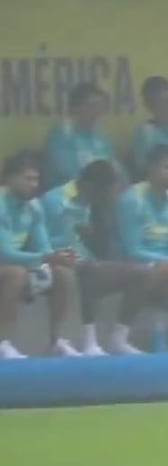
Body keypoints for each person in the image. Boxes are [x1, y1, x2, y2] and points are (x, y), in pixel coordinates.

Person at [41, 160, 148, 356]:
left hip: (87, 259)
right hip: (57, 264)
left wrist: (92, 235)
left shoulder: (92, 204)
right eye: (109, 192)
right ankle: (88, 340)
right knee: (89, 270)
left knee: (141, 273)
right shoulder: (54, 201)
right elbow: (39, 240)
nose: (111, 198)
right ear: (92, 187)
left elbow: (93, 242)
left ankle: (119, 338)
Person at [117, 145, 168, 352]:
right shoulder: (132, 199)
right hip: (134, 262)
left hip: (166, 262)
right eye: (167, 167)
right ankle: (158, 330)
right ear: (151, 169)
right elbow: (132, 249)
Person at [0, 151, 80, 358]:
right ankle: (3, 342)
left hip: (14, 265)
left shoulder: (34, 206)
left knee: (62, 272)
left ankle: (55, 342)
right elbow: (4, 252)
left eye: (36, 179)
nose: (34, 184)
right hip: (7, 265)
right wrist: (44, 258)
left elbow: (43, 246)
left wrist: (59, 256)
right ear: (9, 178)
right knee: (16, 274)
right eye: (28, 179)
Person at [44, 82, 120, 188]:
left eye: (100, 106)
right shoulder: (62, 136)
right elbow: (68, 173)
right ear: (76, 107)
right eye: (92, 106)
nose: (97, 111)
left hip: (101, 194)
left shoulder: (102, 138)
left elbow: (116, 169)